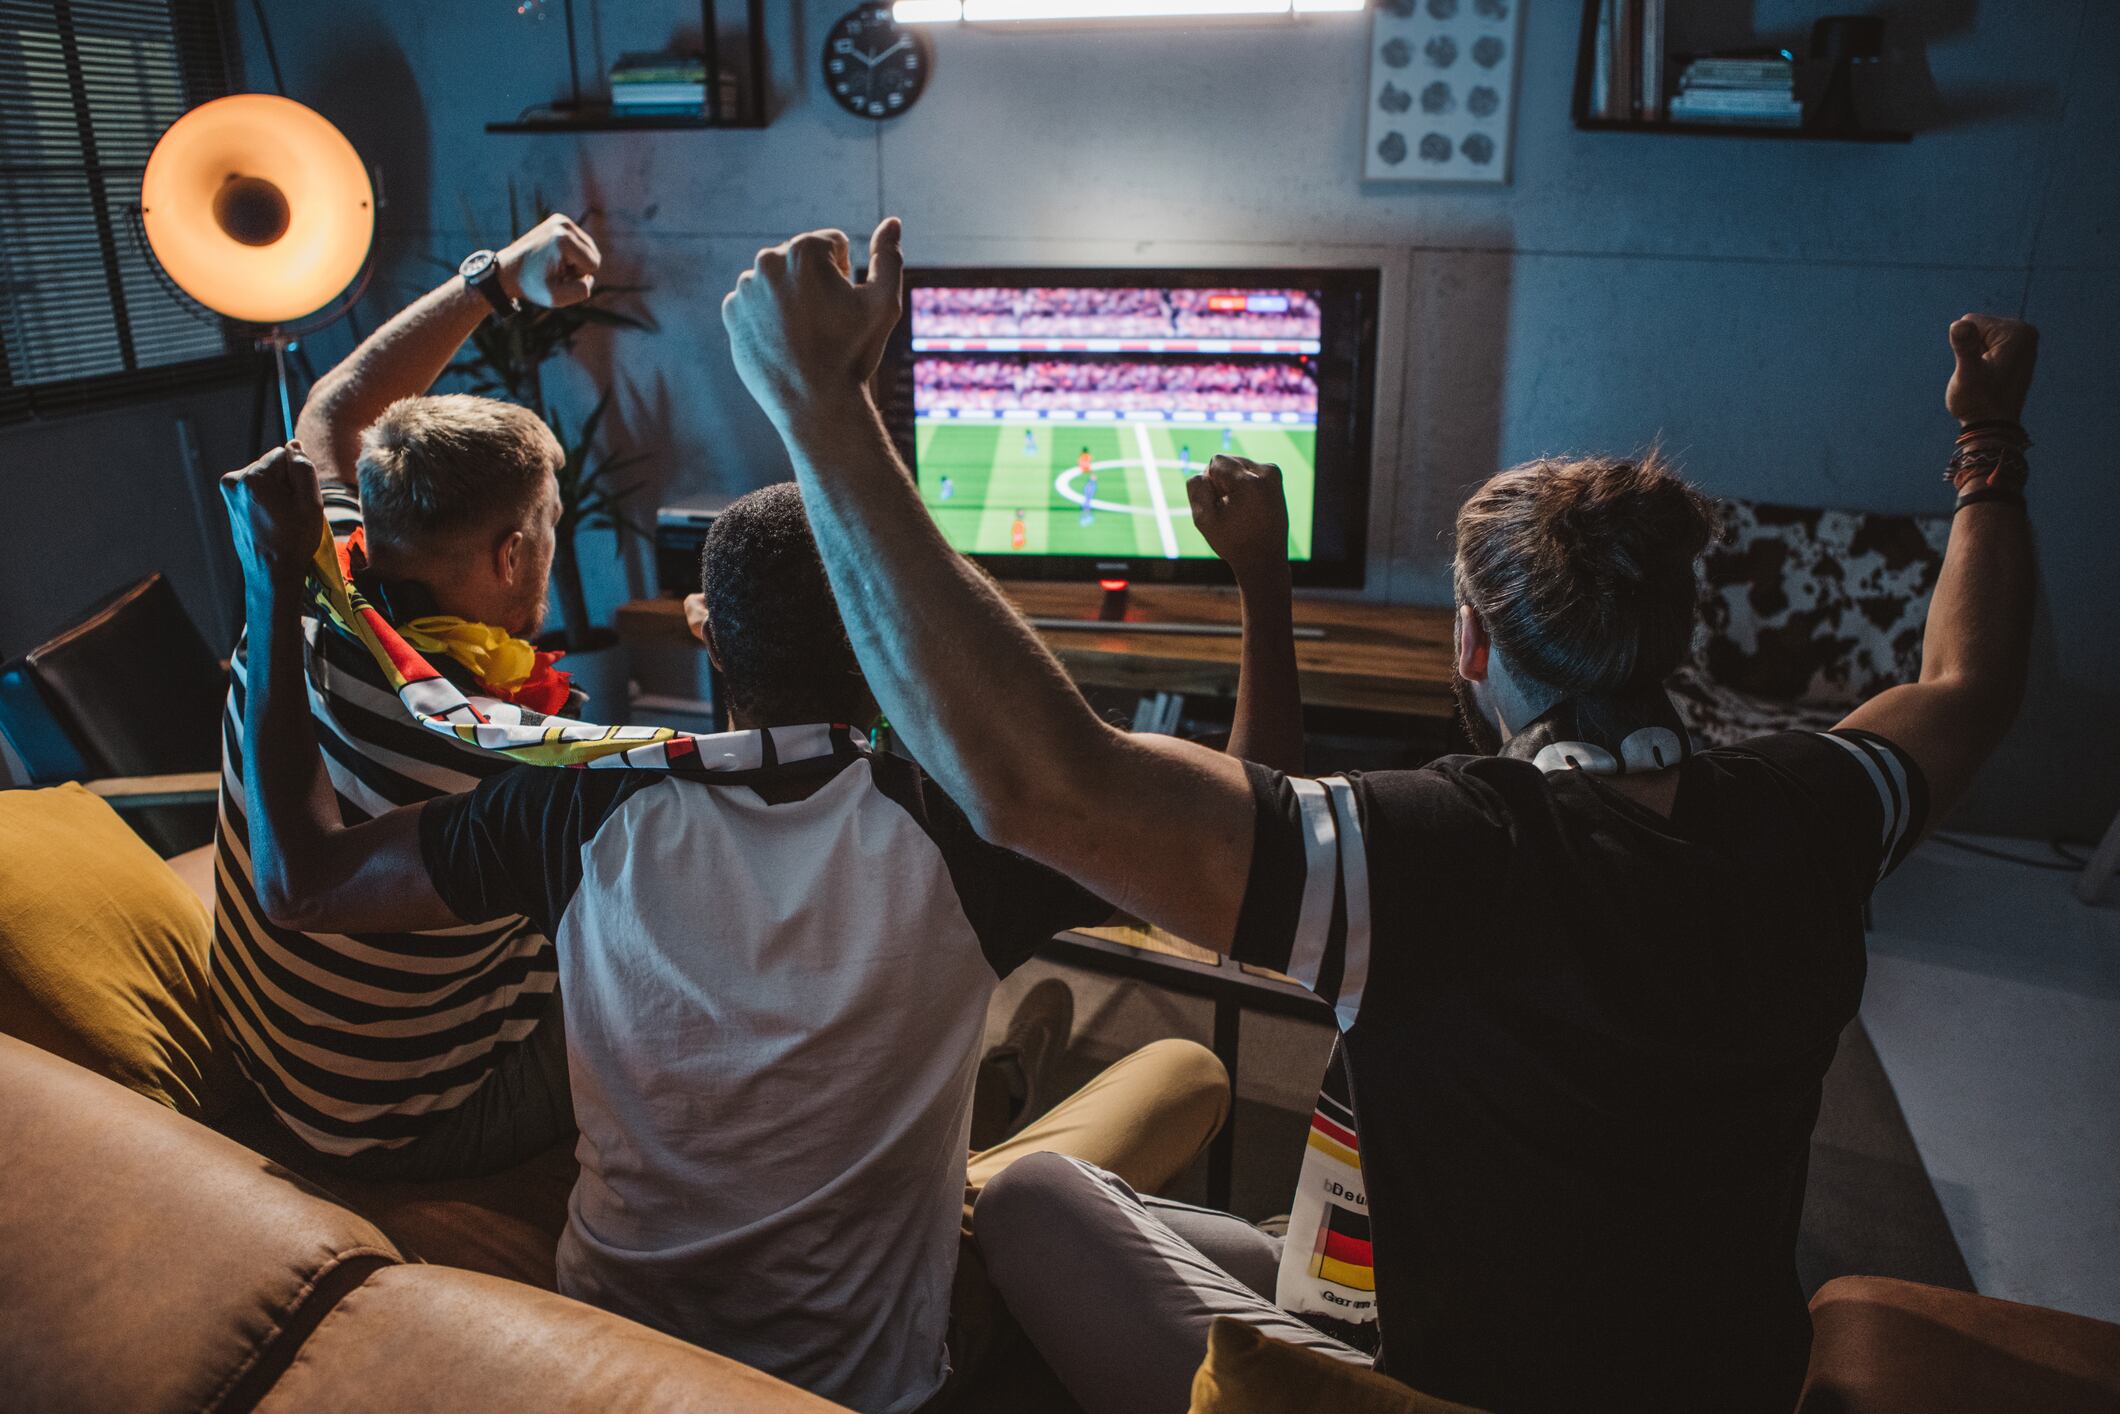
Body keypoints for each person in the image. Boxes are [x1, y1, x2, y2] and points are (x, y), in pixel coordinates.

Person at [716, 216, 2039, 1413]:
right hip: (1711, 1374)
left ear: (1469, 643)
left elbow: (1037, 782)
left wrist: (822, 407)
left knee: (1033, 1200)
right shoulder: (1815, 805)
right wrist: (1990, 450)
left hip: (1409, 1387)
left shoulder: (1436, 853)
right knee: (1123, 1188)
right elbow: (1968, 685)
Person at [216, 462, 1242, 1414]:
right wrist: (1260, 588)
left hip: (619, 1355)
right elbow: (1246, 837)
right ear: (890, 638)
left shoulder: (571, 809)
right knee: (1179, 1068)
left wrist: (272, 585)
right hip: (874, 1388)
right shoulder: (973, 830)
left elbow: (299, 884)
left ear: (707, 633)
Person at [212, 211, 603, 1178]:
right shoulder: (508, 745)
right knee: (687, 982)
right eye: (549, 528)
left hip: (260, 1055)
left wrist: (497, 278)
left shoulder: (312, 590)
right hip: (385, 1123)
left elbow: (335, 411)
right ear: (514, 553)